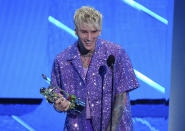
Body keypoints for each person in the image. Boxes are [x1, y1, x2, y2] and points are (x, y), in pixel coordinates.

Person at [51, 6, 139, 131]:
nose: (89, 37)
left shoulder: (116, 54)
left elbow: (121, 97)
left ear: (100, 31)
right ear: (75, 31)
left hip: (113, 125)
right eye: (84, 32)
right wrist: (59, 105)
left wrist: (111, 128)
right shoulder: (62, 60)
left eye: (94, 32)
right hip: (78, 125)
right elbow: (56, 94)